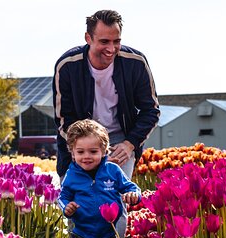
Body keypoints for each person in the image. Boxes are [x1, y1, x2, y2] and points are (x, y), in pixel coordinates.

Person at [52, 9, 159, 180]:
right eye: (104, 41)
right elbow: (64, 118)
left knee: (115, 200)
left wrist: (129, 144)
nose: (111, 48)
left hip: (120, 142)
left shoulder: (135, 63)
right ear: (88, 38)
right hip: (79, 144)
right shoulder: (68, 66)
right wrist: (87, 150)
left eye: (116, 41)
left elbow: (151, 111)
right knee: (77, 202)